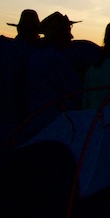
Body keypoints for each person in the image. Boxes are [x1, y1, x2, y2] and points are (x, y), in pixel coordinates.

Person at [24, 12, 82, 142]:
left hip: (37, 121)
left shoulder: (36, 55)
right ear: (58, 35)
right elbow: (77, 92)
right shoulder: (57, 60)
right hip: (54, 125)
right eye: (67, 31)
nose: (71, 36)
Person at [0, 9, 40, 153]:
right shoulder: (32, 54)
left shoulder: (3, 51)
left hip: (1, 116)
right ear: (33, 31)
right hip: (22, 119)